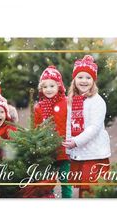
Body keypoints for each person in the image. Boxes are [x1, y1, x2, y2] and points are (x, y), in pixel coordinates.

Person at [62, 55, 111, 198]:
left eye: (88, 78)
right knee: (82, 190)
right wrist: (69, 145)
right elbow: (69, 124)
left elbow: (94, 128)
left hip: (94, 154)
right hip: (80, 153)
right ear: (74, 80)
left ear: (93, 81)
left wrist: (76, 141)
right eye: (80, 77)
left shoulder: (97, 101)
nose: (84, 81)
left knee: (91, 189)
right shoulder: (73, 100)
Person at [34, 65, 72, 198]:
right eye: (45, 87)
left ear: (59, 86)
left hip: (64, 152)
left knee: (66, 181)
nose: (48, 90)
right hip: (48, 152)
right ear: (41, 89)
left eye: (52, 86)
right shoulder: (39, 107)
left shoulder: (67, 103)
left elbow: (73, 124)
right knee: (47, 183)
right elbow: (36, 129)